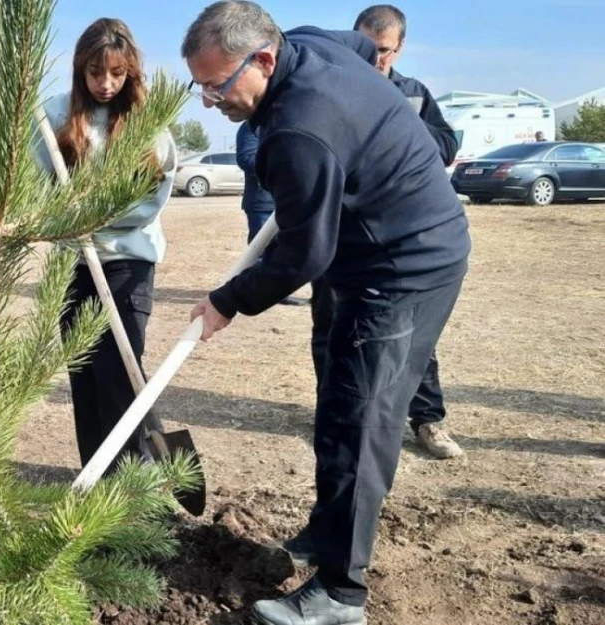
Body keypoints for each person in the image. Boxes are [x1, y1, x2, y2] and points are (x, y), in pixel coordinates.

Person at [181, 2, 471, 623]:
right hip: (382, 249)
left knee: (362, 418)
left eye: (217, 84)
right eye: (198, 84)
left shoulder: (298, 132)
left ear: (263, 57)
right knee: (341, 400)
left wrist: (227, 302)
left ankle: (341, 594)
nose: (208, 100)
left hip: (405, 264)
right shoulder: (312, 41)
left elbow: (304, 253)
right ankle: (327, 532)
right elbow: (367, 52)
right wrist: (369, 121)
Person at [307, 4, 462, 460]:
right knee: (330, 325)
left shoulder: (412, 94)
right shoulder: (328, 89)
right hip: (338, 234)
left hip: (397, 239)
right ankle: (333, 407)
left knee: (412, 333)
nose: (374, 60)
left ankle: (427, 419)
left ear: (400, 48)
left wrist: (395, 120)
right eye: (365, 48)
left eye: (384, 52)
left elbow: (447, 146)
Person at [33, 17, 177, 470]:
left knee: (119, 375)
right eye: (96, 73)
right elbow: (37, 188)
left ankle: (129, 481)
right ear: (81, 70)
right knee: (85, 375)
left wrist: (92, 217)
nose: (106, 84)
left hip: (127, 267)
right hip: (73, 265)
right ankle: (94, 474)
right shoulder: (54, 116)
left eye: (117, 74)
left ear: (131, 72)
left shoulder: (148, 126)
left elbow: (150, 202)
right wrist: (61, 219)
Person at [236, 122, 306, 306]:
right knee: (260, 250)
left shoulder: (285, 123)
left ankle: (278, 292)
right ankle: (256, 293)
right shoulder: (251, 127)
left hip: (285, 201)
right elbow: (246, 158)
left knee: (285, 249)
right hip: (261, 202)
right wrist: (281, 163)